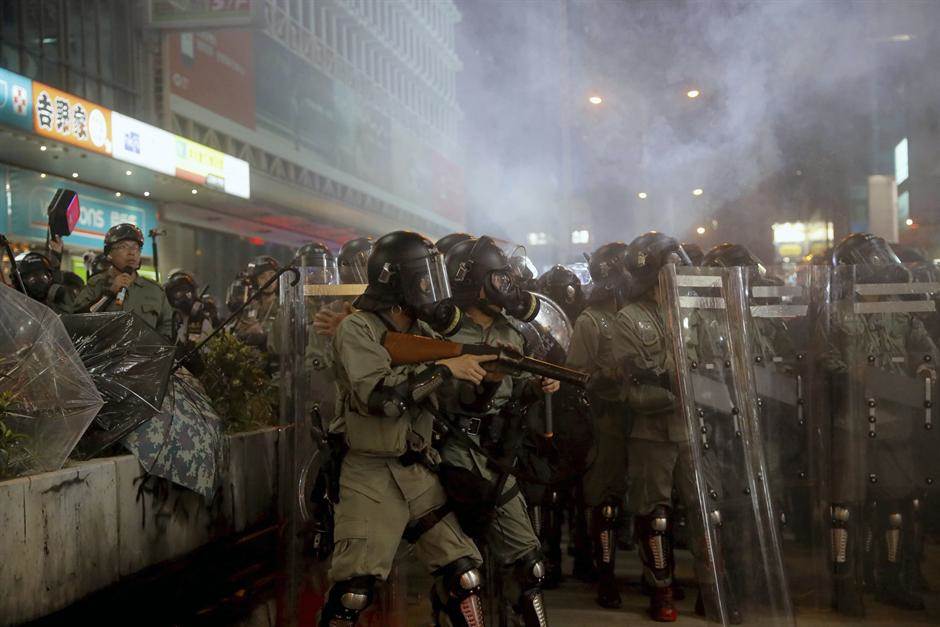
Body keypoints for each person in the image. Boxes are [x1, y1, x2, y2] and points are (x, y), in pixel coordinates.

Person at [320, 230, 491, 626]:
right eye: (424, 278)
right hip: (370, 474)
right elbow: (381, 399)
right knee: (354, 591)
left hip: (417, 471)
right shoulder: (356, 329)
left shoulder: (423, 332)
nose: (431, 288)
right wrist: (443, 369)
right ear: (398, 280)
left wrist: (490, 376)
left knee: (464, 575)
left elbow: (460, 402)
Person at [440, 235, 557, 627]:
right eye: (498, 279)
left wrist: (537, 386)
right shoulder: (438, 331)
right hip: (450, 452)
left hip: (497, 453)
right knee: (461, 574)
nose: (507, 286)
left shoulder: (512, 332)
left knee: (530, 566)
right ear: (474, 283)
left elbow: (517, 388)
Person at [820, 233, 937, 615]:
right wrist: (854, 377)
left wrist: (924, 370)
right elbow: (824, 360)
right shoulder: (835, 313)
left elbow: (926, 352)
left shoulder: (900, 309)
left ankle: (891, 581)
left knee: (896, 506)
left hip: (896, 419)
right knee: (845, 509)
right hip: (852, 419)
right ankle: (845, 585)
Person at [611, 231, 724, 623]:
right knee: (655, 516)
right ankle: (660, 589)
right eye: (669, 270)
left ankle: (712, 590)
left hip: (694, 428)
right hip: (653, 432)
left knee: (707, 512)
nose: (678, 277)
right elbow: (633, 388)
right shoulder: (629, 319)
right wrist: (680, 386)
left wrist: (706, 389)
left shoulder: (694, 313)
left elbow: (716, 363)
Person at [567, 242, 633, 609]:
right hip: (604, 418)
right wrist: (607, 375)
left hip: (637, 417)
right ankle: (604, 575)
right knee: (604, 500)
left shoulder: (633, 315)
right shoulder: (590, 321)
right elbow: (575, 376)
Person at [73, 224, 173, 339]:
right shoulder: (96, 284)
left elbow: (167, 329)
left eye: (136, 247)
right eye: (123, 247)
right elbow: (78, 322)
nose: (131, 252)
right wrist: (109, 294)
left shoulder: (155, 290)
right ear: (109, 254)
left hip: (144, 351)